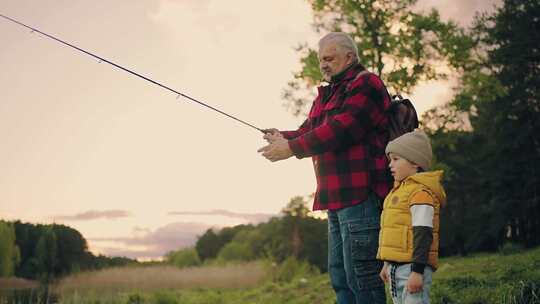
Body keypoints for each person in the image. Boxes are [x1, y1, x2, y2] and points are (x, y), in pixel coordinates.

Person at [258, 32, 392, 304]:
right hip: (333, 198)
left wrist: (291, 149)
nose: (324, 65)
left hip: (360, 196)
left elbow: (342, 129)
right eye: (321, 60)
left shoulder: (367, 83)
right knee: (340, 278)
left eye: (329, 59)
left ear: (349, 57)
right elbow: (309, 130)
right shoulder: (326, 94)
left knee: (361, 278)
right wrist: (282, 137)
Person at [377, 129, 447, 304]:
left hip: (412, 269)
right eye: (389, 160)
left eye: (395, 159)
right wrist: (386, 264)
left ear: (415, 162)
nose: (390, 165)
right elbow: (392, 232)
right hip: (395, 269)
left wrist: (417, 271)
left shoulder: (420, 194)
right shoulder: (397, 192)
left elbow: (423, 233)